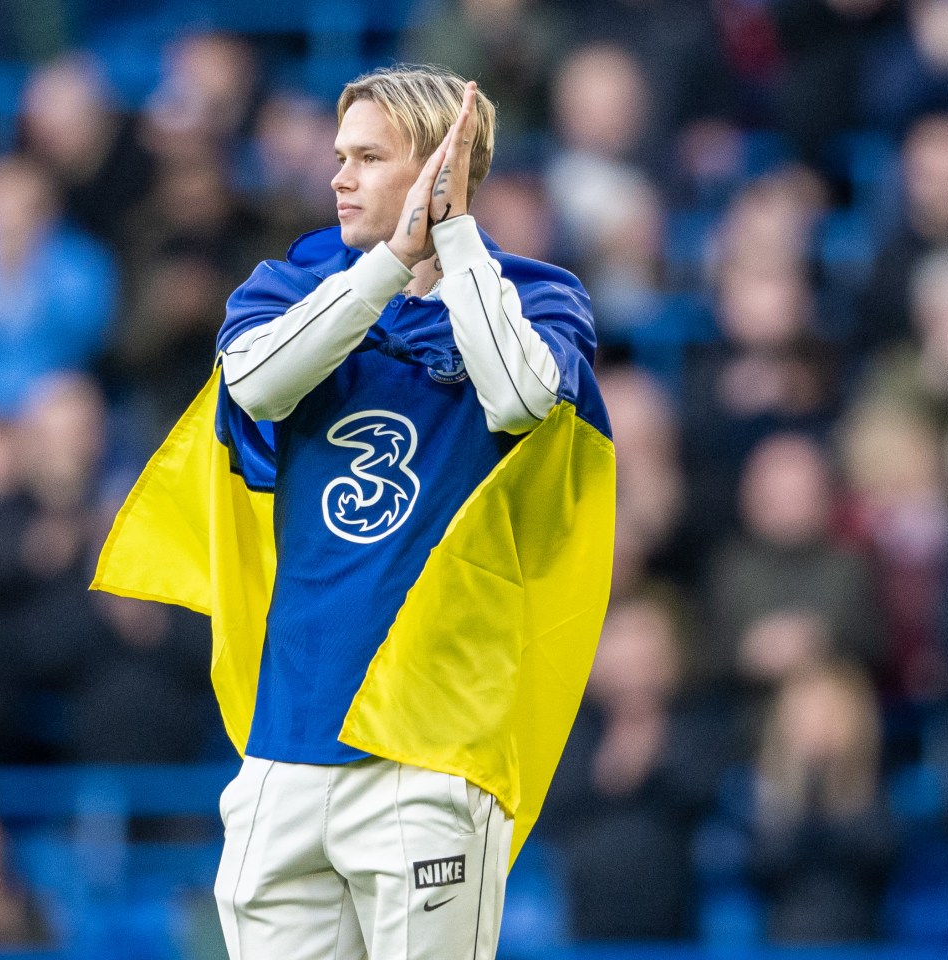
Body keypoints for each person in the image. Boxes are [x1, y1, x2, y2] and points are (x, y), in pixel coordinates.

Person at [94, 66, 614, 960]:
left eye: (369, 158)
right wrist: (382, 269)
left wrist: (451, 246)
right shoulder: (289, 281)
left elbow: (523, 397)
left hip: (431, 745)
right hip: (285, 738)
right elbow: (254, 384)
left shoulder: (534, 294)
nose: (338, 177)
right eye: (340, 156)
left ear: (440, 171)